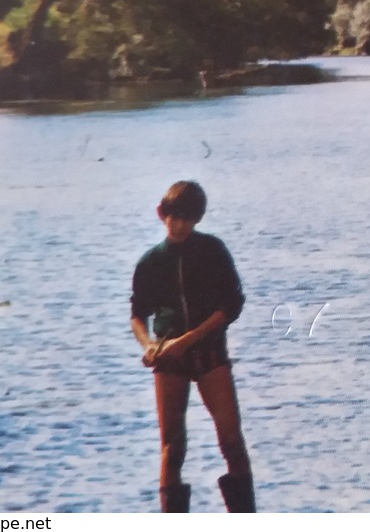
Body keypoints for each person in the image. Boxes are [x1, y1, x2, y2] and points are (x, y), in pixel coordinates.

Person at [129, 181, 254, 513]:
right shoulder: (150, 262)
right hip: (168, 359)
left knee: (231, 441)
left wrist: (187, 340)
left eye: (187, 218)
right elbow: (138, 315)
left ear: (198, 218)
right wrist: (149, 346)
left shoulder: (212, 251)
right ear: (162, 214)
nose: (179, 224)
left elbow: (231, 306)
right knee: (172, 448)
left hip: (209, 354)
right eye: (173, 217)